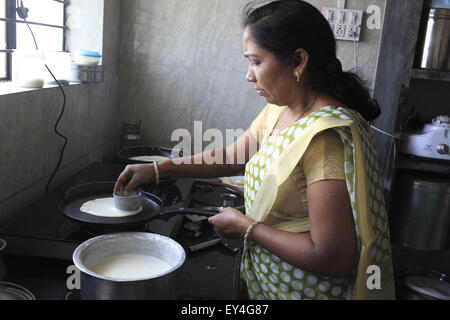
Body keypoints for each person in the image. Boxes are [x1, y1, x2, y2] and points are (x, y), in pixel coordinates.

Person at [114, 0, 395, 300]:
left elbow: (332, 257)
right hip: (265, 282)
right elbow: (232, 156)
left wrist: (248, 228)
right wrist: (159, 168)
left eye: (256, 61)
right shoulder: (281, 110)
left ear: (298, 61)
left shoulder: (324, 137)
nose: (249, 75)